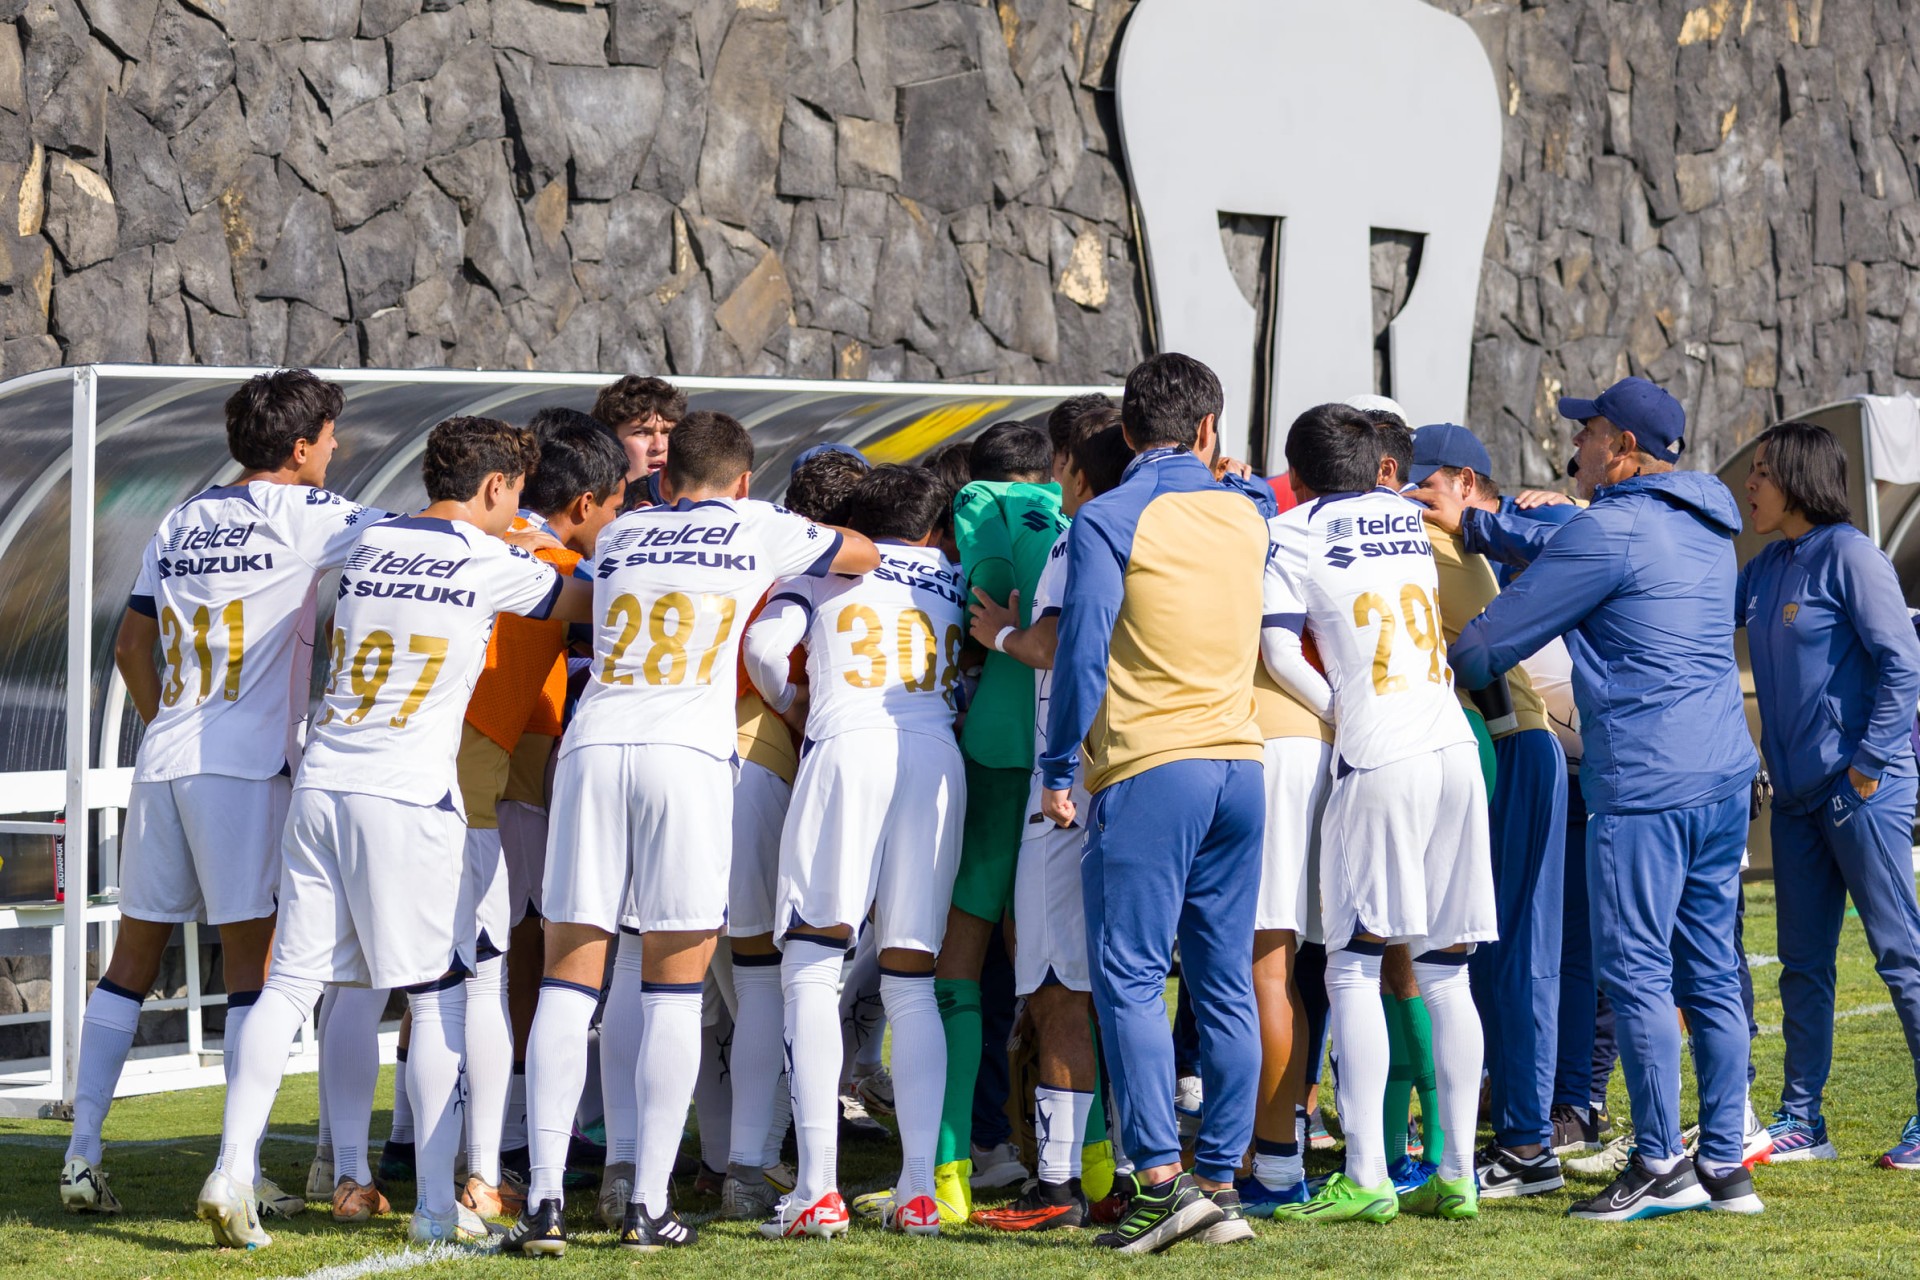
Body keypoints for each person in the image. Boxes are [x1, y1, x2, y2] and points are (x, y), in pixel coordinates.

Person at [195, 416, 591, 1249]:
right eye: (515, 494)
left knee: (292, 985)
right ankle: (440, 1206)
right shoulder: (489, 558)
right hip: (407, 796)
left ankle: (233, 1168)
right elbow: (583, 599)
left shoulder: (371, 537)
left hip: (323, 783)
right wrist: (542, 547)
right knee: (438, 993)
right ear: (495, 487)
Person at [504, 412, 877, 1256]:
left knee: (572, 979)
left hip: (594, 746)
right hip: (688, 754)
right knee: (673, 987)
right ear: (743, 480)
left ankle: (546, 1201)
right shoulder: (759, 524)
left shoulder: (623, 530)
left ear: (665, 479)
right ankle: (647, 1204)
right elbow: (862, 553)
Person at [1420, 375, 1763, 1220]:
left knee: (1637, 971)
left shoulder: (1607, 530)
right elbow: (1578, 546)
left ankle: (1659, 1163)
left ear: (1623, 448)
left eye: (1588, 432)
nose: (1575, 444)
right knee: (1709, 970)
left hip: (1646, 783)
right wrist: (1481, 524)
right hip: (1723, 773)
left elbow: (1487, 646)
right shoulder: (1707, 519)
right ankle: (1725, 1164)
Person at [65, 371, 379, 1220]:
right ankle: (240, 1170)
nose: (337, 448)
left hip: (164, 757)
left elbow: (130, 646)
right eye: (330, 435)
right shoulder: (311, 514)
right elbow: (418, 543)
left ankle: (81, 1152)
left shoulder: (180, 518)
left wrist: (169, 723)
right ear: (301, 446)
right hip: (244, 769)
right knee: (255, 971)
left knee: (130, 962)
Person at [1041, 352, 1274, 1254]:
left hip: (1150, 765)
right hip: (1240, 765)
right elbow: (1250, 496)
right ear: (1209, 429)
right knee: (1223, 981)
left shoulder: (1108, 516)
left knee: (1131, 978)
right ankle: (1219, 1182)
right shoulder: (1250, 511)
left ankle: (1162, 1185)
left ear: (1128, 431)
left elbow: (1082, 650)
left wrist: (1056, 765)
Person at [1262, 404, 1494, 1226]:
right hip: (1453, 742)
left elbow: (1279, 649)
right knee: (1447, 971)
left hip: (1381, 751)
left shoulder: (1288, 532)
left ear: (1297, 474)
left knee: (1354, 965)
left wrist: (1343, 711)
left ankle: (1365, 1174)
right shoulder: (1408, 515)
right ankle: (1458, 1173)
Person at [744, 465, 967, 1239]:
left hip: (849, 746)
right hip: (936, 757)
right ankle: (918, 1192)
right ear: (932, 526)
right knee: (912, 977)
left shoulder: (823, 569)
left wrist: (796, 706)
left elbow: (765, 649)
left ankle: (817, 1189)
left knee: (811, 962)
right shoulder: (953, 575)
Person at [966, 416, 1134, 1232]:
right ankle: (1131, 1168)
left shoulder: (1080, 536)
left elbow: (1059, 644)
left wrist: (998, 633)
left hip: (1066, 787)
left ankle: (1059, 1184)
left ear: (1072, 470)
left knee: (1058, 985)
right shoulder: (1172, 534)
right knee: (1128, 983)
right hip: (1146, 774)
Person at [1739, 421, 1920, 1168]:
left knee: (1901, 955)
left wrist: (1867, 765)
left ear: (1797, 479)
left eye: (1762, 471)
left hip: (1861, 791)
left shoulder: (1852, 555)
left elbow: (1903, 662)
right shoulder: (1764, 566)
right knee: (1802, 965)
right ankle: (1802, 1121)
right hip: (1797, 801)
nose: (1749, 483)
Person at [1407, 423, 1570, 1199]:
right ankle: (1515, 1132)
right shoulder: (1441, 541)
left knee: (1512, 951)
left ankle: (1527, 1144)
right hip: (1507, 746)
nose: (1409, 498)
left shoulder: (1441, 547)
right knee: (1491, 951)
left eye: (1424, 484)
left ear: (1466, 485)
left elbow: (1474, 656)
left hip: (1516, 747)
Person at [719, 445, 871, 1222]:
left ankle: (655, 1163)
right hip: (754, 757)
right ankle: (748, 1162)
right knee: (769, 978)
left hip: (669, 750)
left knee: (668, 982)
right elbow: (762, 650)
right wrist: (798, 708)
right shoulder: (812, 569)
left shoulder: (737, 542)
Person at [933, 422, 1065, 1220]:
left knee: (960, 953)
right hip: (1059, 761)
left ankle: (951, 1164)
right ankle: (1086, 1161)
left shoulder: (981, 504)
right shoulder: (1076, 520)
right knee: (1056, 973)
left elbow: (982, 588)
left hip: (991, 754)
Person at [590, 375, 685, 510]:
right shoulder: (588, 513)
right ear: (609, 441)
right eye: (642, 433)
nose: (659, 446)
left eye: (667, 432)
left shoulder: (701, 510)